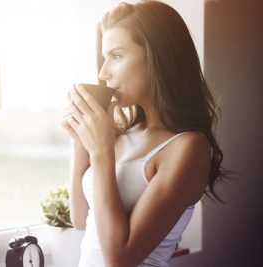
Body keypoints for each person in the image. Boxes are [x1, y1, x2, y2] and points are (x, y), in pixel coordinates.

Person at [60, 1, 232, 266]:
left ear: (157, 56)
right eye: (104, 58)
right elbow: (82, 219)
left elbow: (119, 259)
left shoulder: (188, 148)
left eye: (116, 56)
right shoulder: (119, 136)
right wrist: (80, 143)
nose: (104, 72)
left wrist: (101, 152)